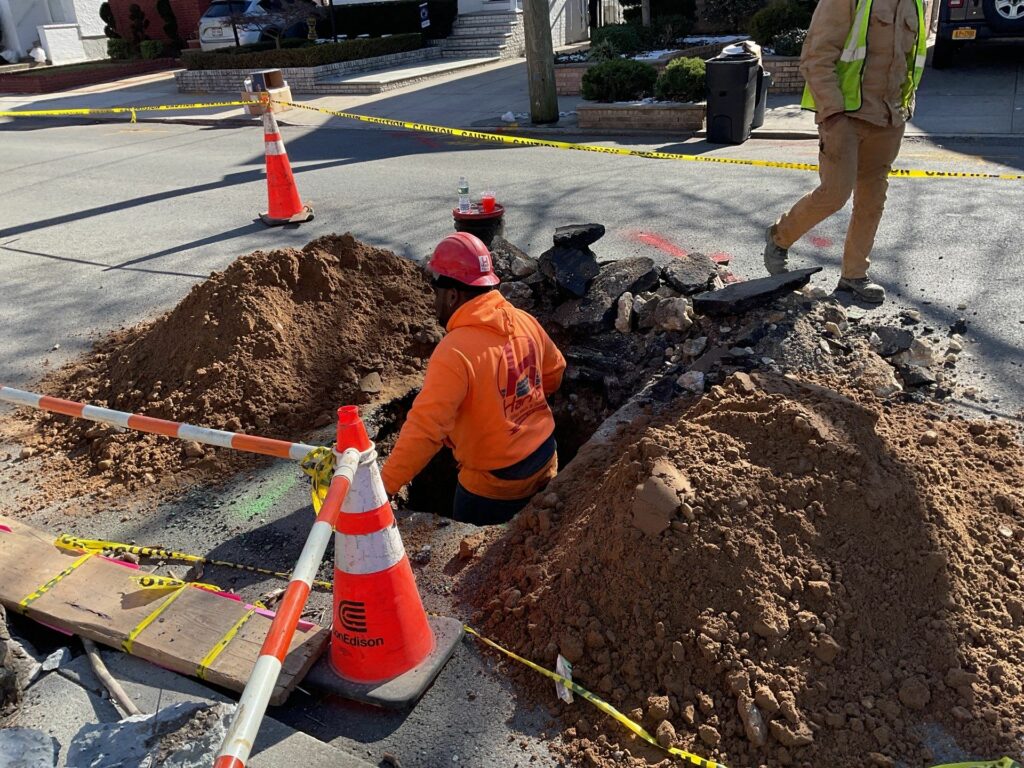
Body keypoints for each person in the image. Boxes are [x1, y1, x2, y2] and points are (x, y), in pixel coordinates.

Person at [381, 232, 566, 526]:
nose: (434, 301)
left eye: (436, 292)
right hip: (545, 458)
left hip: (494, 487)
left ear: (452, 294)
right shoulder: (523, 320)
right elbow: (554, 372)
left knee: (465, 544)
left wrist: (383, 487)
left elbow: (425, 431)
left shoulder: (454, 352)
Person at [763, 0, 927, 304]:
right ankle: (779, 238)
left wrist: (904, 109)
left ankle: (853, 276)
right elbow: (816, 55)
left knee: (872, 201)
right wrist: (833, 113)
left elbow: (911, 59)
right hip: (845, 117)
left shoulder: (916, 3)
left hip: (889, 118)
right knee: (834, 194)